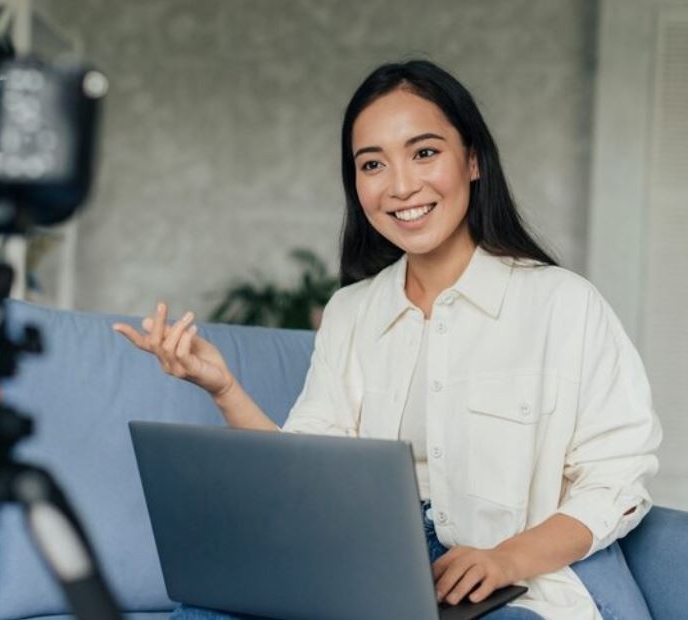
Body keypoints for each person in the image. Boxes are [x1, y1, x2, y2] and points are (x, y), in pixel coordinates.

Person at [113, 60, 662, 619]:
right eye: (372, 163)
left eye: (424, 152)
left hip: (508, 589)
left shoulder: (562, 304)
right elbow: (306, 478)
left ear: (472, 160)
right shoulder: (351, 312)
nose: (401, 186)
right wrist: (224, 387)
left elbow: (620, 473)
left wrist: (505, 559)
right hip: (358, 575)